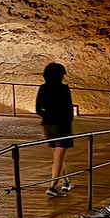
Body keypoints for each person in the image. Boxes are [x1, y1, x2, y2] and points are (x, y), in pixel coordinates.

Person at [35, 62, 75, 197]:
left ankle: (66, 181)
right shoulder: (63, 89)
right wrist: (67, 119)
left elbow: (38, 109)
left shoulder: (43, 88)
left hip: (48, 125)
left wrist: (48, 115)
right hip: (62, 125)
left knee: (58, 155)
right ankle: (52, 187)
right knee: (59, 156)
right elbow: (69, 108)